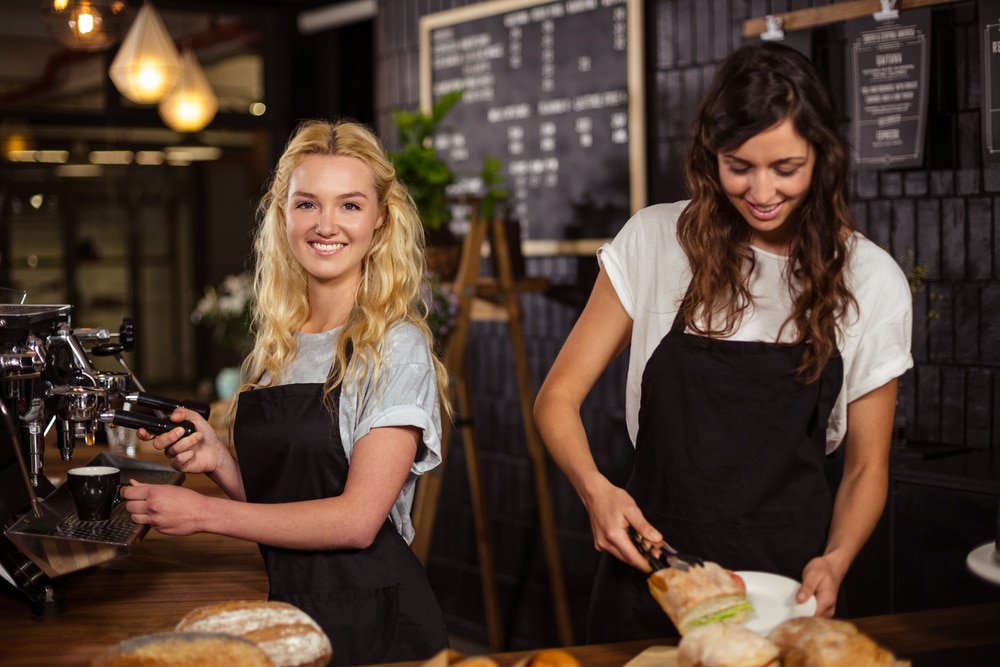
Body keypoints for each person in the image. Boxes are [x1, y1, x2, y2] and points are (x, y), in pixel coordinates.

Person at [533, 41, 913, 643]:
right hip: (655, 581)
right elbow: (556, 398)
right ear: (710, 156)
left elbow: (867, 465)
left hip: (788, 593)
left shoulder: (869, 278)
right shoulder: (655, 240)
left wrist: (837, 558)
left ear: (823, 157)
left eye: (786, 168)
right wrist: (596, 492)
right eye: (739, 166)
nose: (761, 192)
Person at [121, 119, 452, 665]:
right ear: (283, 216)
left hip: (374, 621)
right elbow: (286, 506)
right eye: (307, 204)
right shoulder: (279, 344)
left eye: (349, 205)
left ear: (380, 219)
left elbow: (355, 520)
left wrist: (205, 514)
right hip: (290, 612)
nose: (327, 224)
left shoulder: (394, 344)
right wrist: (219, 463)